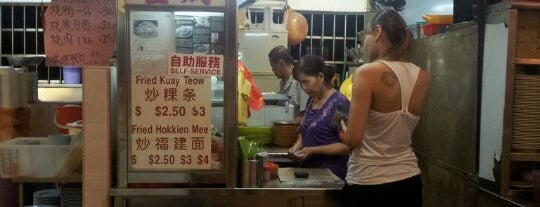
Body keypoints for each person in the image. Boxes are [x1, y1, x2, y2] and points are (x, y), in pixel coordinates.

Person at [341, 9, 431, 207]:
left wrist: (344, 129)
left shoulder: (367, 72)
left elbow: (353, 140)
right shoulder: (422, 76)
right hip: (409, 181)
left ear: (379, 32)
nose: (364, 42)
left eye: (366, 34)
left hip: (369, 182)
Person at [288, 55, 350, 179]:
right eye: (300, 83)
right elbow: (304, 130)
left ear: (320, 77)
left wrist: (312, 150)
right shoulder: (311, 100)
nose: (303, 87)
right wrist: (297, 146)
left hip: (331, 175)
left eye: (306, 82)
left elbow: (346, 146)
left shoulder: (339, 103)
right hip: (309, 172)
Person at [268, 46, 309, 121]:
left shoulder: (299, 82)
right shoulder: (283, 84)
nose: (273, 70)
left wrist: (288, 125)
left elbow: (306, 115)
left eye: (274, 67)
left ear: (281, 63)